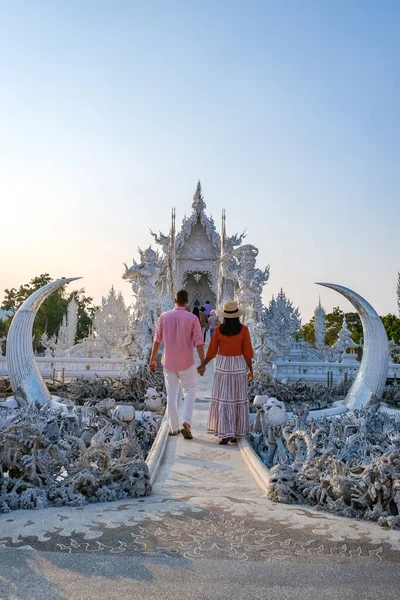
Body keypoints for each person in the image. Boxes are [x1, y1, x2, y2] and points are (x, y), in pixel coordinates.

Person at [149, 289, 204, 439]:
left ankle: (174, 428)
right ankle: (186, 421)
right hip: (187, 362)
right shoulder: (193, 319)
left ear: (175, 300)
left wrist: (152, 359)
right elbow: (199, 342)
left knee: (171, 396)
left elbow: (157, 340)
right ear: (187, 302)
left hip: (169, 363)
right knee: (190, 391)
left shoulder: (164, 317)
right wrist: (203, 362)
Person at [197, 300, 253, 445]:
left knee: (224, 398)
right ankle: (235, 432)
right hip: (238, 365)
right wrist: (251, 370)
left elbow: (212, 351)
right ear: (237, 316)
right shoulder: (244, 330)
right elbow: (247, 353)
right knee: (237, 398)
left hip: (223, 366)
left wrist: (202, 364)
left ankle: (225, 432)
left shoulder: (218, 330)